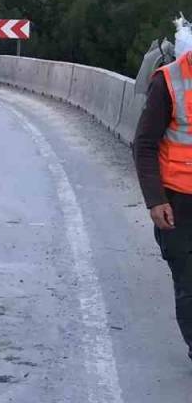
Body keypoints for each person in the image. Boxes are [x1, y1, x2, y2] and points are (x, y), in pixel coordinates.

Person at [134, 19, 192, 362]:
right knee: (189, 281)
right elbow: (144, 144)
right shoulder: (169, 80)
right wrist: (155, 200)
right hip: (177, 201)